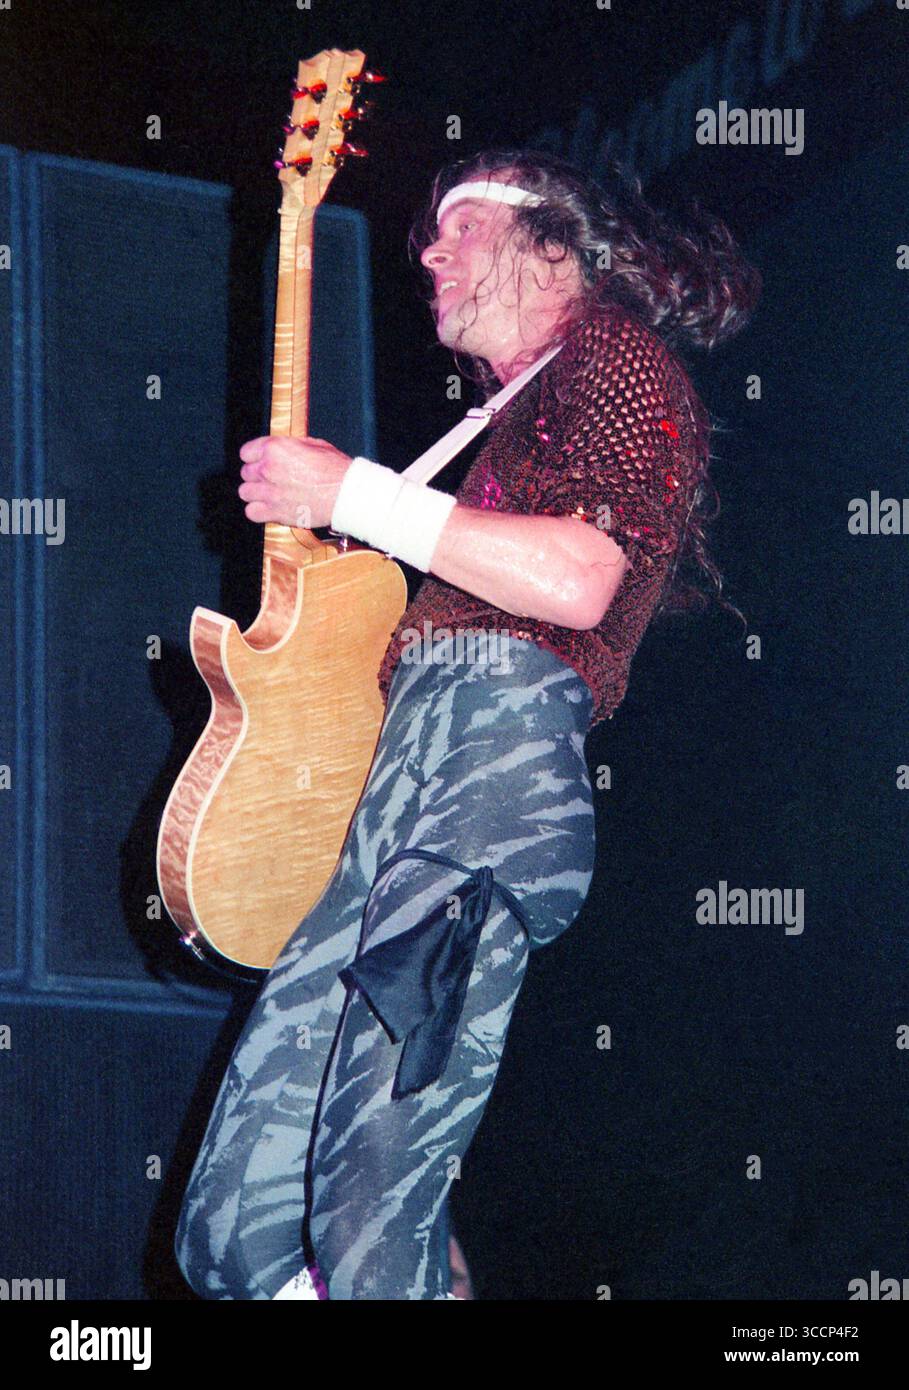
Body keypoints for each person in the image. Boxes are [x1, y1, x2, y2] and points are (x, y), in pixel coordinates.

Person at [173, 148, 761, 1300]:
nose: (431, 252)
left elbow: (582, 576)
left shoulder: (613, 358)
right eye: (429, 233)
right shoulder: (502, 425)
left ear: (555, 247)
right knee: (235, 1230)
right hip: (391, 804)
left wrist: (351, 494)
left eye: (463, 226)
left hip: (486, 787)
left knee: (365, 1196)